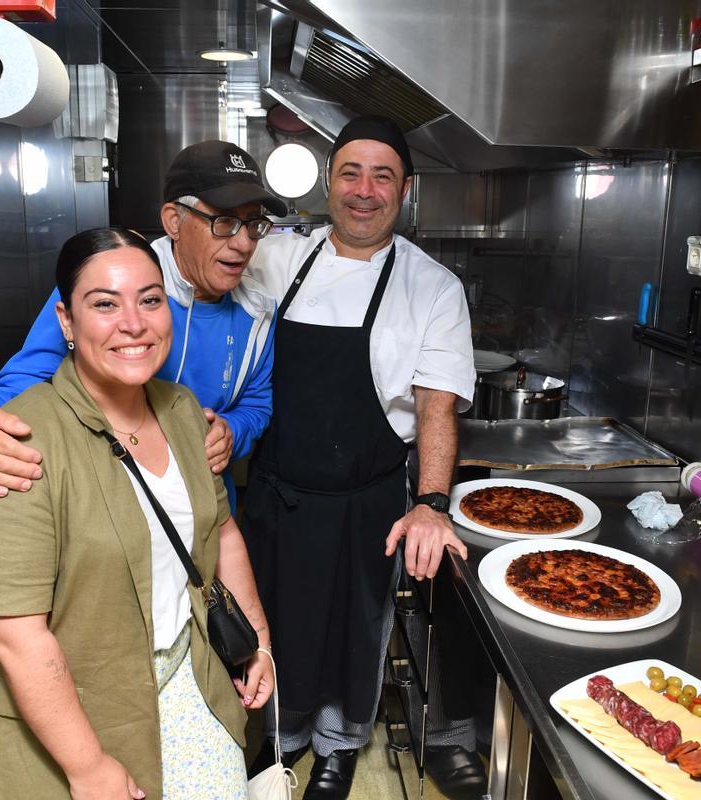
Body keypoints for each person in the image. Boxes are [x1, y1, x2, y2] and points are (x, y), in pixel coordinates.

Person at [0, 228, 273, 799]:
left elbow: (222, 534)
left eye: (150, 300)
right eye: (104, 303)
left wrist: (260, 641)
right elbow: (11, 634)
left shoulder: (182, 413)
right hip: (78, 716)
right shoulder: (18, 442)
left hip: (192, 686)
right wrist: (88, 768)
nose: (134, 323)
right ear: (66, 322)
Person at [240, 116, 480, 799]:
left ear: (405, 190)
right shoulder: (278, 257)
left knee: (355, 629)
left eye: (383, 176)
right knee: (272, 623)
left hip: (366, 498)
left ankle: (338, 751)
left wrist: (433, 504)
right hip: (277, 491)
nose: (364, 191)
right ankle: (278, 744)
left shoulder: (431, 287)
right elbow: (205, 299)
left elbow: (437, 407)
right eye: (351, 172)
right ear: (329, 182)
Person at [0, 140, 286, 510]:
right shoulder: (106, 285)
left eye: (254, 224)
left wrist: (233, 431)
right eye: (225, 222)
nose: (244, 243)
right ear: (173, 221)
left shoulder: (258, 309)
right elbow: (28, 381)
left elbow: (256, 402)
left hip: (205, 508)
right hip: (107, 506)